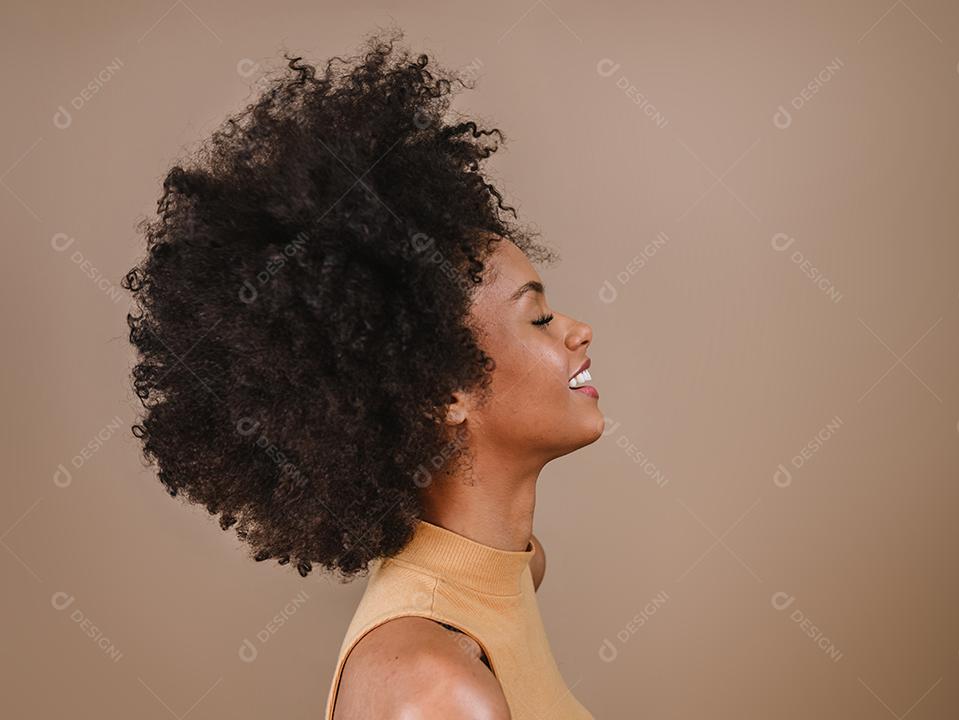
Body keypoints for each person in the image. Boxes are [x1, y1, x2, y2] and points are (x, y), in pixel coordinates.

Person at [122, 28, 602, 719]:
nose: (579, 330)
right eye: (539, 319)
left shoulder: (509, 574)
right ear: (445, 394)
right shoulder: (441, 689)